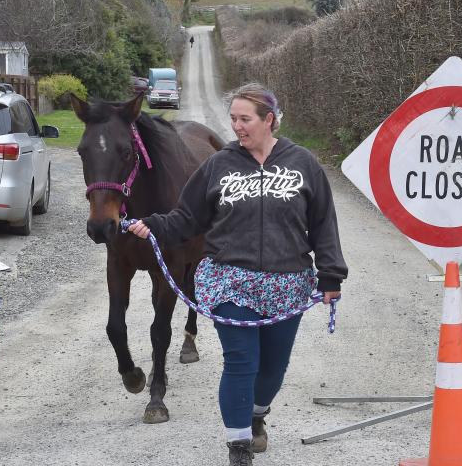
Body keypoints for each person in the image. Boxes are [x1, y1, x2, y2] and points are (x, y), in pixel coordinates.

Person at [127, 83, 348, 465]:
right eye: (233, 119)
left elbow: (323, 222)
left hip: (288, 281)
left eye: (245, 119)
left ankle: (257, 414)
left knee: (273, 368)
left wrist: (330, 275)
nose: (237, 127)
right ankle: (239, 447)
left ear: (269, 120)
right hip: (230, 279)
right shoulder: (219, 164)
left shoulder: (303, 163)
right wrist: (154, 225)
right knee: (241, 361)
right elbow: (187, 217)